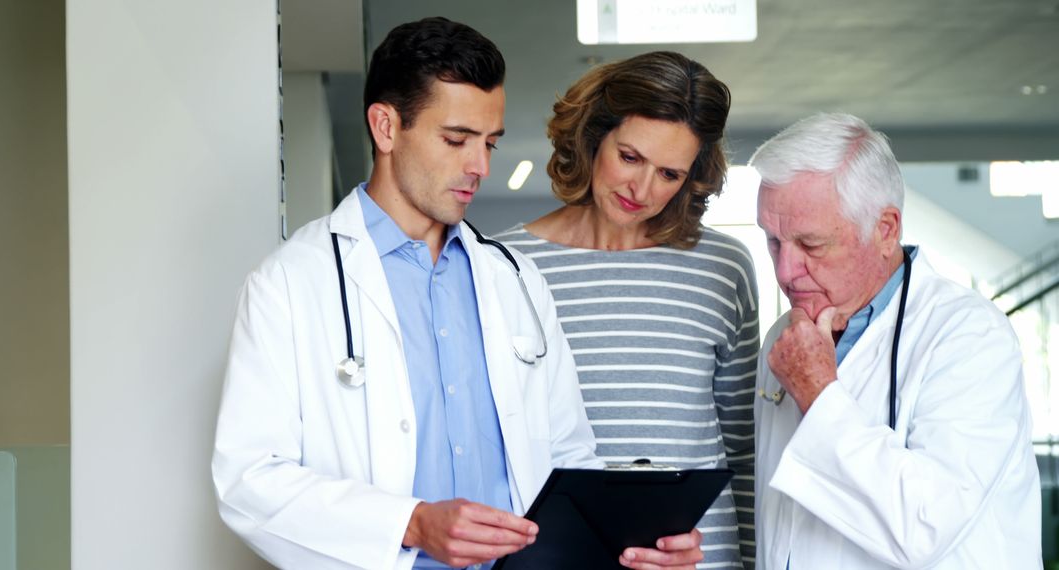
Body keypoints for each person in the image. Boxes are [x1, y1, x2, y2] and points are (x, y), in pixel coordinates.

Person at [212, 17, 704, 570]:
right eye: (456, 139)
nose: (480, 167)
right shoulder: (291, 283)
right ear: (386, 127)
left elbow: (568, 459)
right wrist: (412, 523)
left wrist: (638, 539)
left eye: (489, 142)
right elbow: (250, 482)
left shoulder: (515, 279)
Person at [496, 51, 758, 569]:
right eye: (630, 157)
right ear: (592, 137)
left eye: (669, 173)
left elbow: (745, 449)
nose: (643, 190)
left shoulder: (723, 267)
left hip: (702, 560)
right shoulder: (503, 266)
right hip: (560, 559)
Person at [749, 112, 1042, 569]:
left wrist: (818, 393)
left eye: (811, 245)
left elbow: (925, 528)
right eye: (773, 242)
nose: (786, 271)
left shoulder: (969, 336)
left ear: (885, 230)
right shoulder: (784, 339)